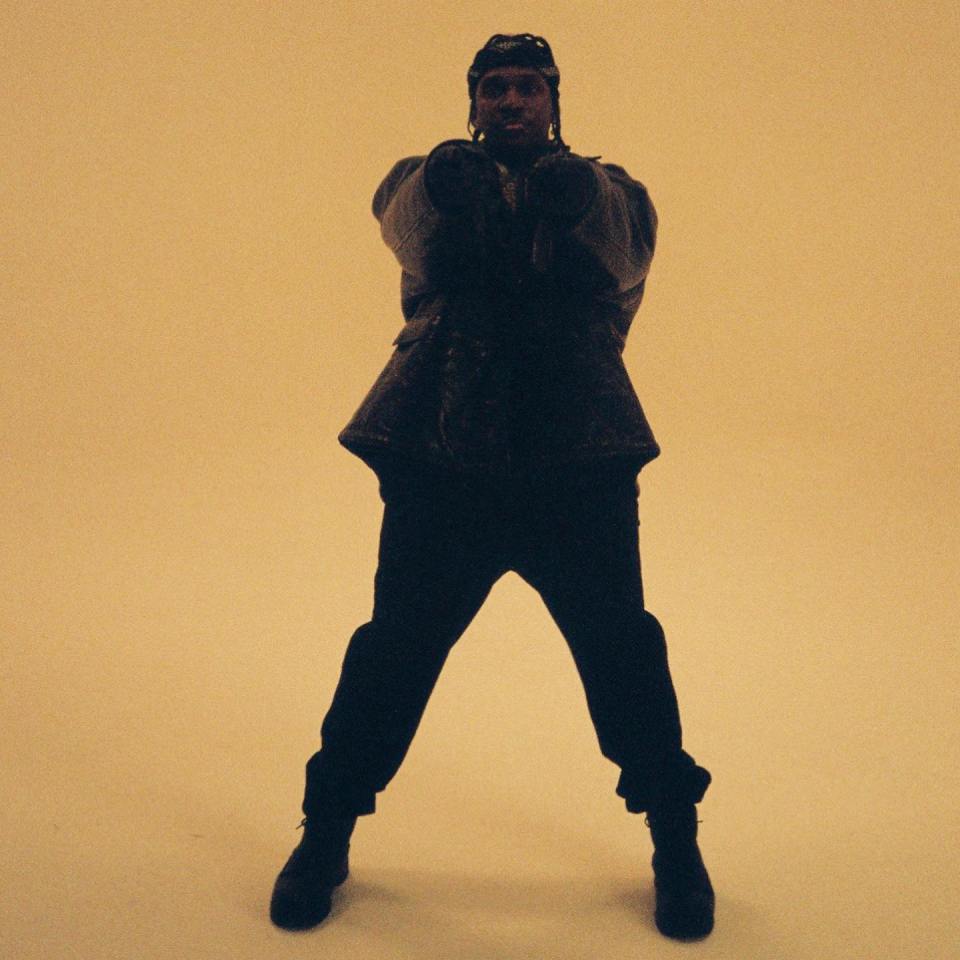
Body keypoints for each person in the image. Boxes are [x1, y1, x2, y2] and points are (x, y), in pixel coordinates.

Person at [270, 33, 714, 941]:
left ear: (554, 100)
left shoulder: (607, 187)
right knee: (394, 654)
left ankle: (675, 836)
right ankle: (326, 830)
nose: (511, 102)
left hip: (575, 465)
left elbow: (628, 247)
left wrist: (577, 193)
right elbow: (401, 217)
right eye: (495, 88)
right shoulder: (433, 179)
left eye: (528, 87)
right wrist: (444, 181)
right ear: (473, 102)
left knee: (622, 653)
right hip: (448, 462)